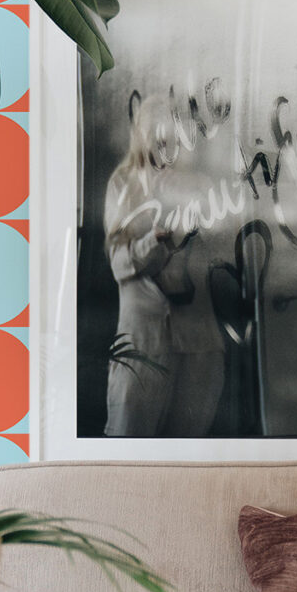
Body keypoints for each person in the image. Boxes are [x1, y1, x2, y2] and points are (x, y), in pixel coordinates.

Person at [100, 89, 226, 436]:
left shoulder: (199, 186)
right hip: (142, 339)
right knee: (127, 444)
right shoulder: (123, 186)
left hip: (198, 341)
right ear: (142, 138)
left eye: (172, 139)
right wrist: (151, 242)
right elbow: (118, 265)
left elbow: (219, 254)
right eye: (157, 140)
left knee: (189, 452)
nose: (165, 151)